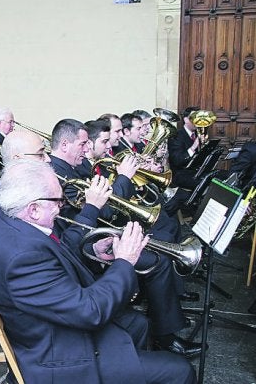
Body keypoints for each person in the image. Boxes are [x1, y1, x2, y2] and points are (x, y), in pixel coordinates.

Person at [0, 160, 196, 384]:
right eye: (57, 201)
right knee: (180, 371)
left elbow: (54, 256)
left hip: (53, 329)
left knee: (139, 325)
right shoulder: (22, 257)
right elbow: (90, 312)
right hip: (61, 360)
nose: (62, 206)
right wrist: (124, 261)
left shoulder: (9, 224)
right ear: (33, 209)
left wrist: (93, 248)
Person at [49, 119, 202, 355]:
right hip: (84, 246)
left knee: (157, 240)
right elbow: (106, 209)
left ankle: (162, 320)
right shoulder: (60, 174)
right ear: (66, 144)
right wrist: (124, 178)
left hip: (92, 235)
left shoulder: (73, 167)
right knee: (157, 262)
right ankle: (164, 335)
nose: (86, 148)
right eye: (82, 144)